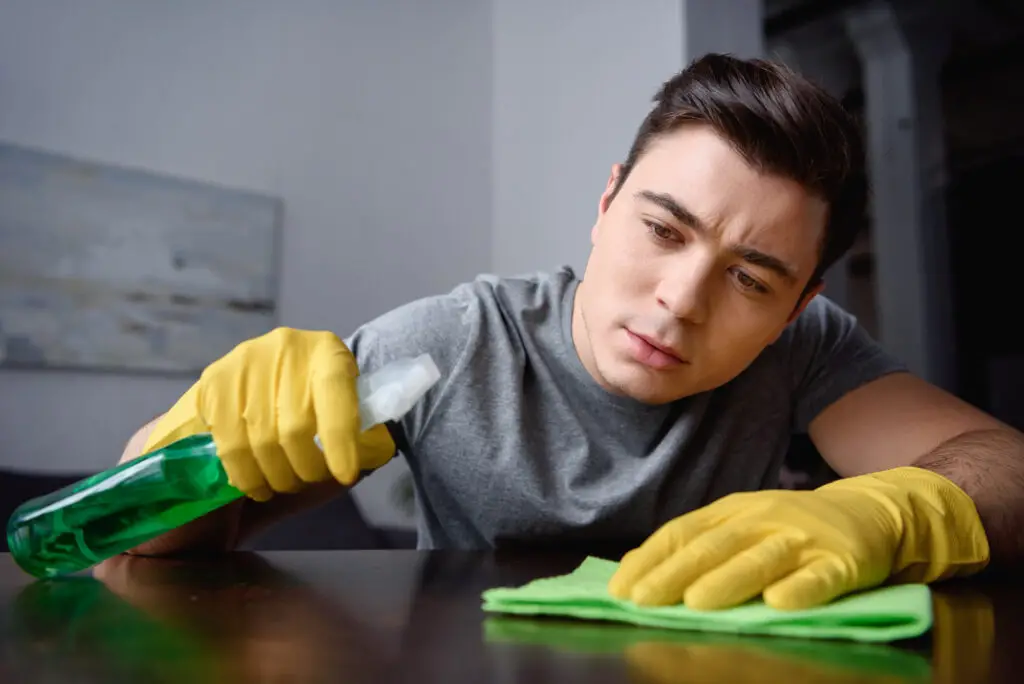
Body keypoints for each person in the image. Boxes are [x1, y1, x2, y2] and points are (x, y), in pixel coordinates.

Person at [119, 53, 1024, 611]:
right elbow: (139, 546)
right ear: (605, 204)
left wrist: (898, 510)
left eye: (750, 278)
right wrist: (186, 453)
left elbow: (1006, 463)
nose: (680, 299)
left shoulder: (807, 346)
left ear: (794, 305)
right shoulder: (455, 342)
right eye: (662, 231)